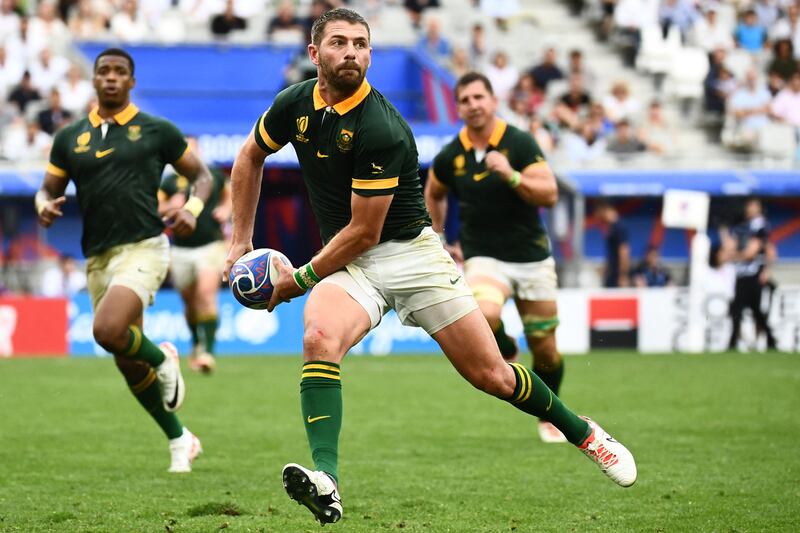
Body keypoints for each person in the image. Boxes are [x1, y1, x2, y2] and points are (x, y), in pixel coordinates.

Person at [225, 9, 637, 526]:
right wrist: (239, 242)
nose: (351, 52)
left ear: (370, 54)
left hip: (408, 255)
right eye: (338, 43)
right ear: (315, 54)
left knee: (492, 376)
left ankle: (587, 435)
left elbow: (365, 233)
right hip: (349, 262)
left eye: (361, 44)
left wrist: (299, 280)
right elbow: (248, 157)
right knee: (318, 339)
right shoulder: (294, 104)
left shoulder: (381, 127)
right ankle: (326, 480)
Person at [35, 47, 214, 472]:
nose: (111, 78)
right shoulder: (69, 138)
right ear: (93, 80)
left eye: (120, 72)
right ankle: (179, 439)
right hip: (97, 255)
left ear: (131, 81)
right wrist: (44, 204)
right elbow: (46, 188)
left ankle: (164, 358)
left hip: (145, 246)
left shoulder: (156, 130)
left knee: (107, 329)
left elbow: (203, 177)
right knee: (124, 358)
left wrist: (191, 210)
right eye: (104, 71)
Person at [425, 71, 569, 444]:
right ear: (458, 107)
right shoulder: (451, 154)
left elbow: (550, 193)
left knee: (547, 350)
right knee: (484, 314)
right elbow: (434, 191)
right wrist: (439, 237)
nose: (472, 105)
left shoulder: (518, 142)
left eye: (478, 97)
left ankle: (550, 413)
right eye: (465, 100)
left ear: (493, 101)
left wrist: (513, 177)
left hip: (531, 258)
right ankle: (506, 349)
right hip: (483, 257)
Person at [159, 138, 231, 373]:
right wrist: (171, 204)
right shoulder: (170, 182)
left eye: (192, 148)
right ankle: (196, 342)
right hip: (180, 249)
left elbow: (230, 193)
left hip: (210, 245)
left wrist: (226, 209)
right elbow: (156, 208)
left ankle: (208, 352)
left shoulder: (212, 174)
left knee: (205, 295)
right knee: (189, 302)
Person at [724, 198, 777, 351]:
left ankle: (735, 343)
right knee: (743, 310)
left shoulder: (760, 226)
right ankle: (770, 341)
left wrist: (735, 255)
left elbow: (751, 253)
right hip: (742, 273)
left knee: (747, 310)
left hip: (753, 274)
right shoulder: (742, 227)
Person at [595, 201, 630, 288]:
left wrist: (623, 275)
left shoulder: (619, 227)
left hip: (617, 275)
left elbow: (624, 251)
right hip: (612, 274)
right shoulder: (613, 227)